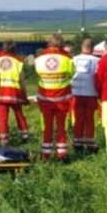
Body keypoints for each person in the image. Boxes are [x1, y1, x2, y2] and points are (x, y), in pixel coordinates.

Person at [35, 33, 76, 161]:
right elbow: (72, 73)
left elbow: (38, 73)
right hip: (62, 99)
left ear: (50, 43)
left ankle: (45, 155)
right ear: (62, 43)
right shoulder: (68, 58)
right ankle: (62, 155)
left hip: (45, 98)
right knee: (61, 127)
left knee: (47, 127)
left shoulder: (40, 58)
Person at [0, 40, 29, 145]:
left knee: (2, 117)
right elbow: (22, 80)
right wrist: (25, 94)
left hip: (1, 93)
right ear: (14, 49)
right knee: (19, 115)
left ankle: (4, 140)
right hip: (14, 92)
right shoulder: (18, 62)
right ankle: (25, 135)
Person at [70, 38, 100, 153]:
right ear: (93, 49)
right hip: (91, 93)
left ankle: (77, 144)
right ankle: (90, 144)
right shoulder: (97, 61)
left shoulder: (74, 59)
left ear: (82, 47)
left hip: (76, 94)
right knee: (90, 119)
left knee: (78, 118)